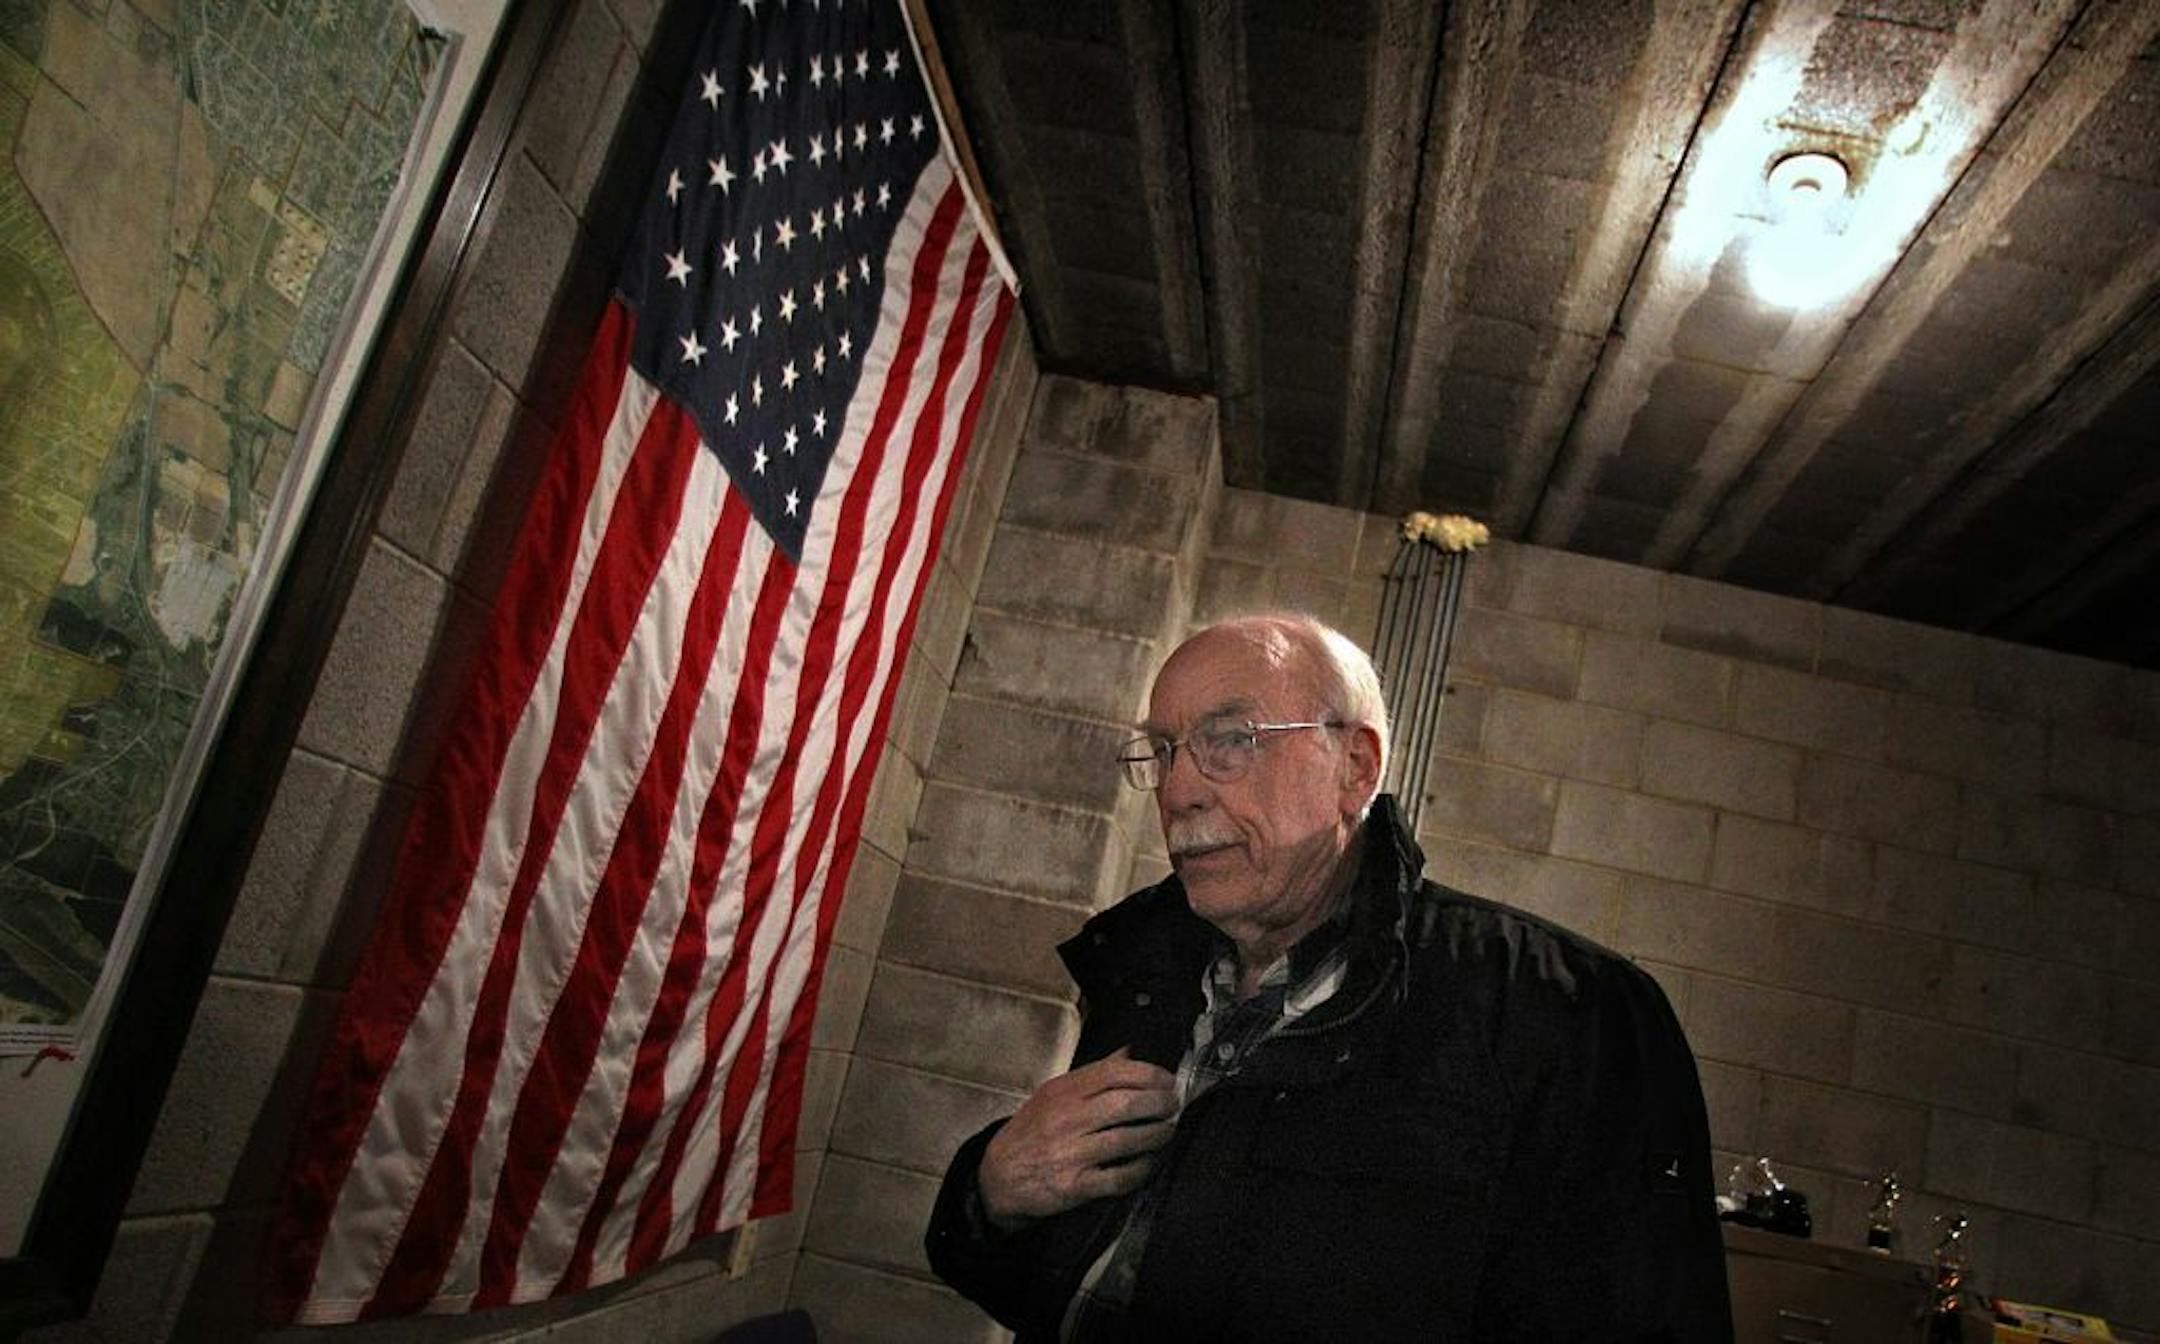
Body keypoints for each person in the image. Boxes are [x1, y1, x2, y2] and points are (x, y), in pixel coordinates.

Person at [924, 612, 1733, 1342]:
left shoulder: (1566, 1013)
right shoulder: (1143, 970)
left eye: (1231, 739)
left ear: (1354, 766)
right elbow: (1053, 1287)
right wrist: (991, 1191)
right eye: (1164, 751)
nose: (1177, 789)